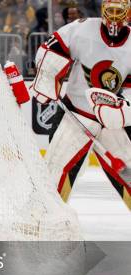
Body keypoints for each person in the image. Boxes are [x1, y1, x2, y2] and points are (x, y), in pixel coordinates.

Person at [31, 0, 130, 209]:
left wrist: (124, 111)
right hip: (75, 116)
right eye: (110, 10)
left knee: (129, 170)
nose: (114, 17)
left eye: (119, 11)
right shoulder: (82, 28)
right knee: (55, 171)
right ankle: (43, 220)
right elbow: (51, 48)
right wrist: (48, 75)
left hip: (111, 124)